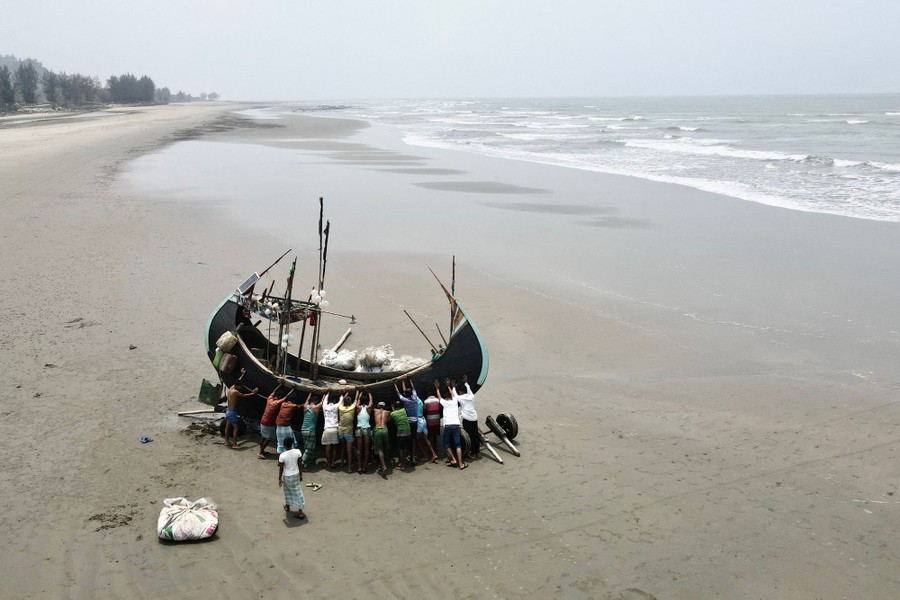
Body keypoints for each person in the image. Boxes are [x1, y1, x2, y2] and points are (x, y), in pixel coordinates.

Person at [435, 378, 466, 470]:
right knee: (458, 445)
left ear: (446, 398)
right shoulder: (455, 402)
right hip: (456, 424)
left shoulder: (444, 403)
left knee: (446, 443)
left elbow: (439, 397)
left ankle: (453, 459)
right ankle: (460, 464)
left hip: (448, 425)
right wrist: (449, 386)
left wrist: (437, 388)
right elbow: (454, 395)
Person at [224, 369, 258, 449]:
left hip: (228, 410)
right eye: (240, 386)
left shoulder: (231, 388)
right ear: (237, 386)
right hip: (232, 412)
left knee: (227, 426)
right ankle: (235, 444)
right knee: (236, 428)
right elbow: (243, 395)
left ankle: (226, 441)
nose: (241, 388)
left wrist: (242, 374)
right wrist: (253, 393)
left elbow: (238, 381)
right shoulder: (235, 392)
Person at [277, 436, 306, 520]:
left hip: (287, 476)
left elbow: (281, 468)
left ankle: (288, 506)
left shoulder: (282, 455)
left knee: (287, 491)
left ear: (284, 445)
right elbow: (300, 464)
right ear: (292, 443)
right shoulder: (298, 452)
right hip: (296, 474)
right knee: (297, 491)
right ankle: (299, 510)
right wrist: (301, 474)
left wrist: (279, 478)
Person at [454, 374, 480, 460]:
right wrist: (466, 382)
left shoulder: (461, 398)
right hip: (474, 418)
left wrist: (453, 387)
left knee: (469, 436)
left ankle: (472, 452)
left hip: (467, 419)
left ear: (461, 392)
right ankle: (477, 452)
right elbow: (469, 390)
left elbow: (455, 396)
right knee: (475, 434)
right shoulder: (471, 396)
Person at [258, 383, 286, 459]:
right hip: (269, 422)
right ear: (280, 396)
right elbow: (286, 398)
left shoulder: (269, 399)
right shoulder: (276, 403)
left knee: (263, 437)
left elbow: (274, 391)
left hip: (263, 420)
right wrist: (293, 390)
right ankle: (261, 452)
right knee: (268, 438)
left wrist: (280, 384)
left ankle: (262, 451)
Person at [395, 378, 419, 463]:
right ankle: (413, 457)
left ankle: (407, 456)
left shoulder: (405, 400)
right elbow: (413, 388)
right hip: (415, 421)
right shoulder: (415, 398)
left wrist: (395, 384)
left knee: (406, 439)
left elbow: (399, 393)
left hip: (408, 421)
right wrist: (409, 379)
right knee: (413, 439)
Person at [300, 392, 324, 470]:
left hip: (303, 429)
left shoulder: (306, 407)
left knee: (306, 446)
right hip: (310, 430)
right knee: (309, 448)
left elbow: (307, 400)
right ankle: (303, 464)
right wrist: (325, 394)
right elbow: (322, 402)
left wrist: (310, 392)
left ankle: (309, 459)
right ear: (316, 401)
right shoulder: (315, 408)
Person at [337, 388, 359, 473]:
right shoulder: (352, 408)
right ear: (350, 403)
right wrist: (357, 391)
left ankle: (342, 462)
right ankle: (349, 467)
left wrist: (346, 392)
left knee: (342, 447)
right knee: (349, 450)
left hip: (340, 430)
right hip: (348, 431)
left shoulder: (340, 407)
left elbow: (342, 401)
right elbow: (356, 399)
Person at [274, 389, 300, 454]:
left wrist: (292, 389)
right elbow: (301, 406)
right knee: (291, 443)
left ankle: (281, 457)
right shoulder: (293, 406)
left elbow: (285, 397)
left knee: (280, 442)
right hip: (286, 427)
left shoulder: (282, 404)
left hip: (279, 426)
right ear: (294, 401)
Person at [355, 390, 374, 473]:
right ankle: (365, 467)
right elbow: (371, 401)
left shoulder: (358, 408)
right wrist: (369, 392)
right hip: (367, 429)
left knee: (359, 449)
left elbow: (357, 400)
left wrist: (360, 393)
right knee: (366, 449)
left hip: (359, 428)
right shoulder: (369, 408)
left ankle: (359, 466)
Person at [321, 391, 341, 469]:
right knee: (335, 447)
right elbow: (341, 400)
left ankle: (328, 463)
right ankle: (333, 462)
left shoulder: (324, 406)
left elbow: (324, 400)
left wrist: (327, 393)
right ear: (334, 400)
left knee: (327, 447)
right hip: (334, 428)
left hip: (326, 429)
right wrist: (342, 394)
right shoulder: (336, 406)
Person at [389, 399, 411, 470]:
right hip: (408, 430)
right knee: (405, 446)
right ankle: (404, 460)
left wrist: (392, 408)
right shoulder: (404, 410)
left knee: (400, 448)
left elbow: (391, 421)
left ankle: (402, 465)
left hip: (401, 432)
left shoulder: (393, 414)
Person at [373, 401, 391, 474]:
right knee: (385, 448)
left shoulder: (375, 410)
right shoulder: (388, 412)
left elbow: (371, 405)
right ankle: (381, 464)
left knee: (380, 449)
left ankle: (383, 466)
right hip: (385, 430)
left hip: (377, 430)